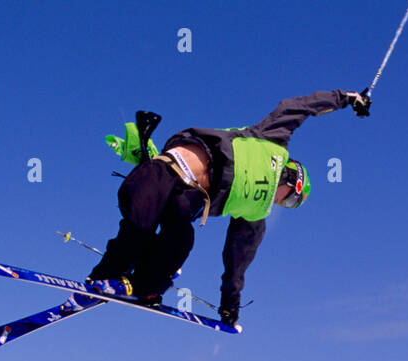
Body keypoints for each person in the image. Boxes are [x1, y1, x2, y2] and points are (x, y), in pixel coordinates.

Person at [86, 89, 371, 326]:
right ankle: (110, 274)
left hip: (183, 201)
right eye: (292, 199)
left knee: (181, 239)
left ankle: (139, 285)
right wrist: (346, 98)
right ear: (295, 180)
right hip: (161, 173)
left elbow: (236, 263)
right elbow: (299, 107)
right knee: (139, 224)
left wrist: (229, 306)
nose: (284, 203)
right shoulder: (272, 139)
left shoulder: (255, 214)